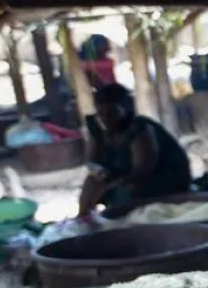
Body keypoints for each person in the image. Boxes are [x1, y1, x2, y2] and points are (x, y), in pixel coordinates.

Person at [78, 83, 191, 215]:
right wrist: (98, 172)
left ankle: (124, 223)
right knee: (91, 182)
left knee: (128, 190)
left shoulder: (140, 128)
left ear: (126, 109)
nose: (105, 119)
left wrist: (108, 188)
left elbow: (142, 171)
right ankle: (83, 219)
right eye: (101, 114)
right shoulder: (96, 127)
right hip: (119, 178)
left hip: (160, 179)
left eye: (112, 113)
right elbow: (92, 161)